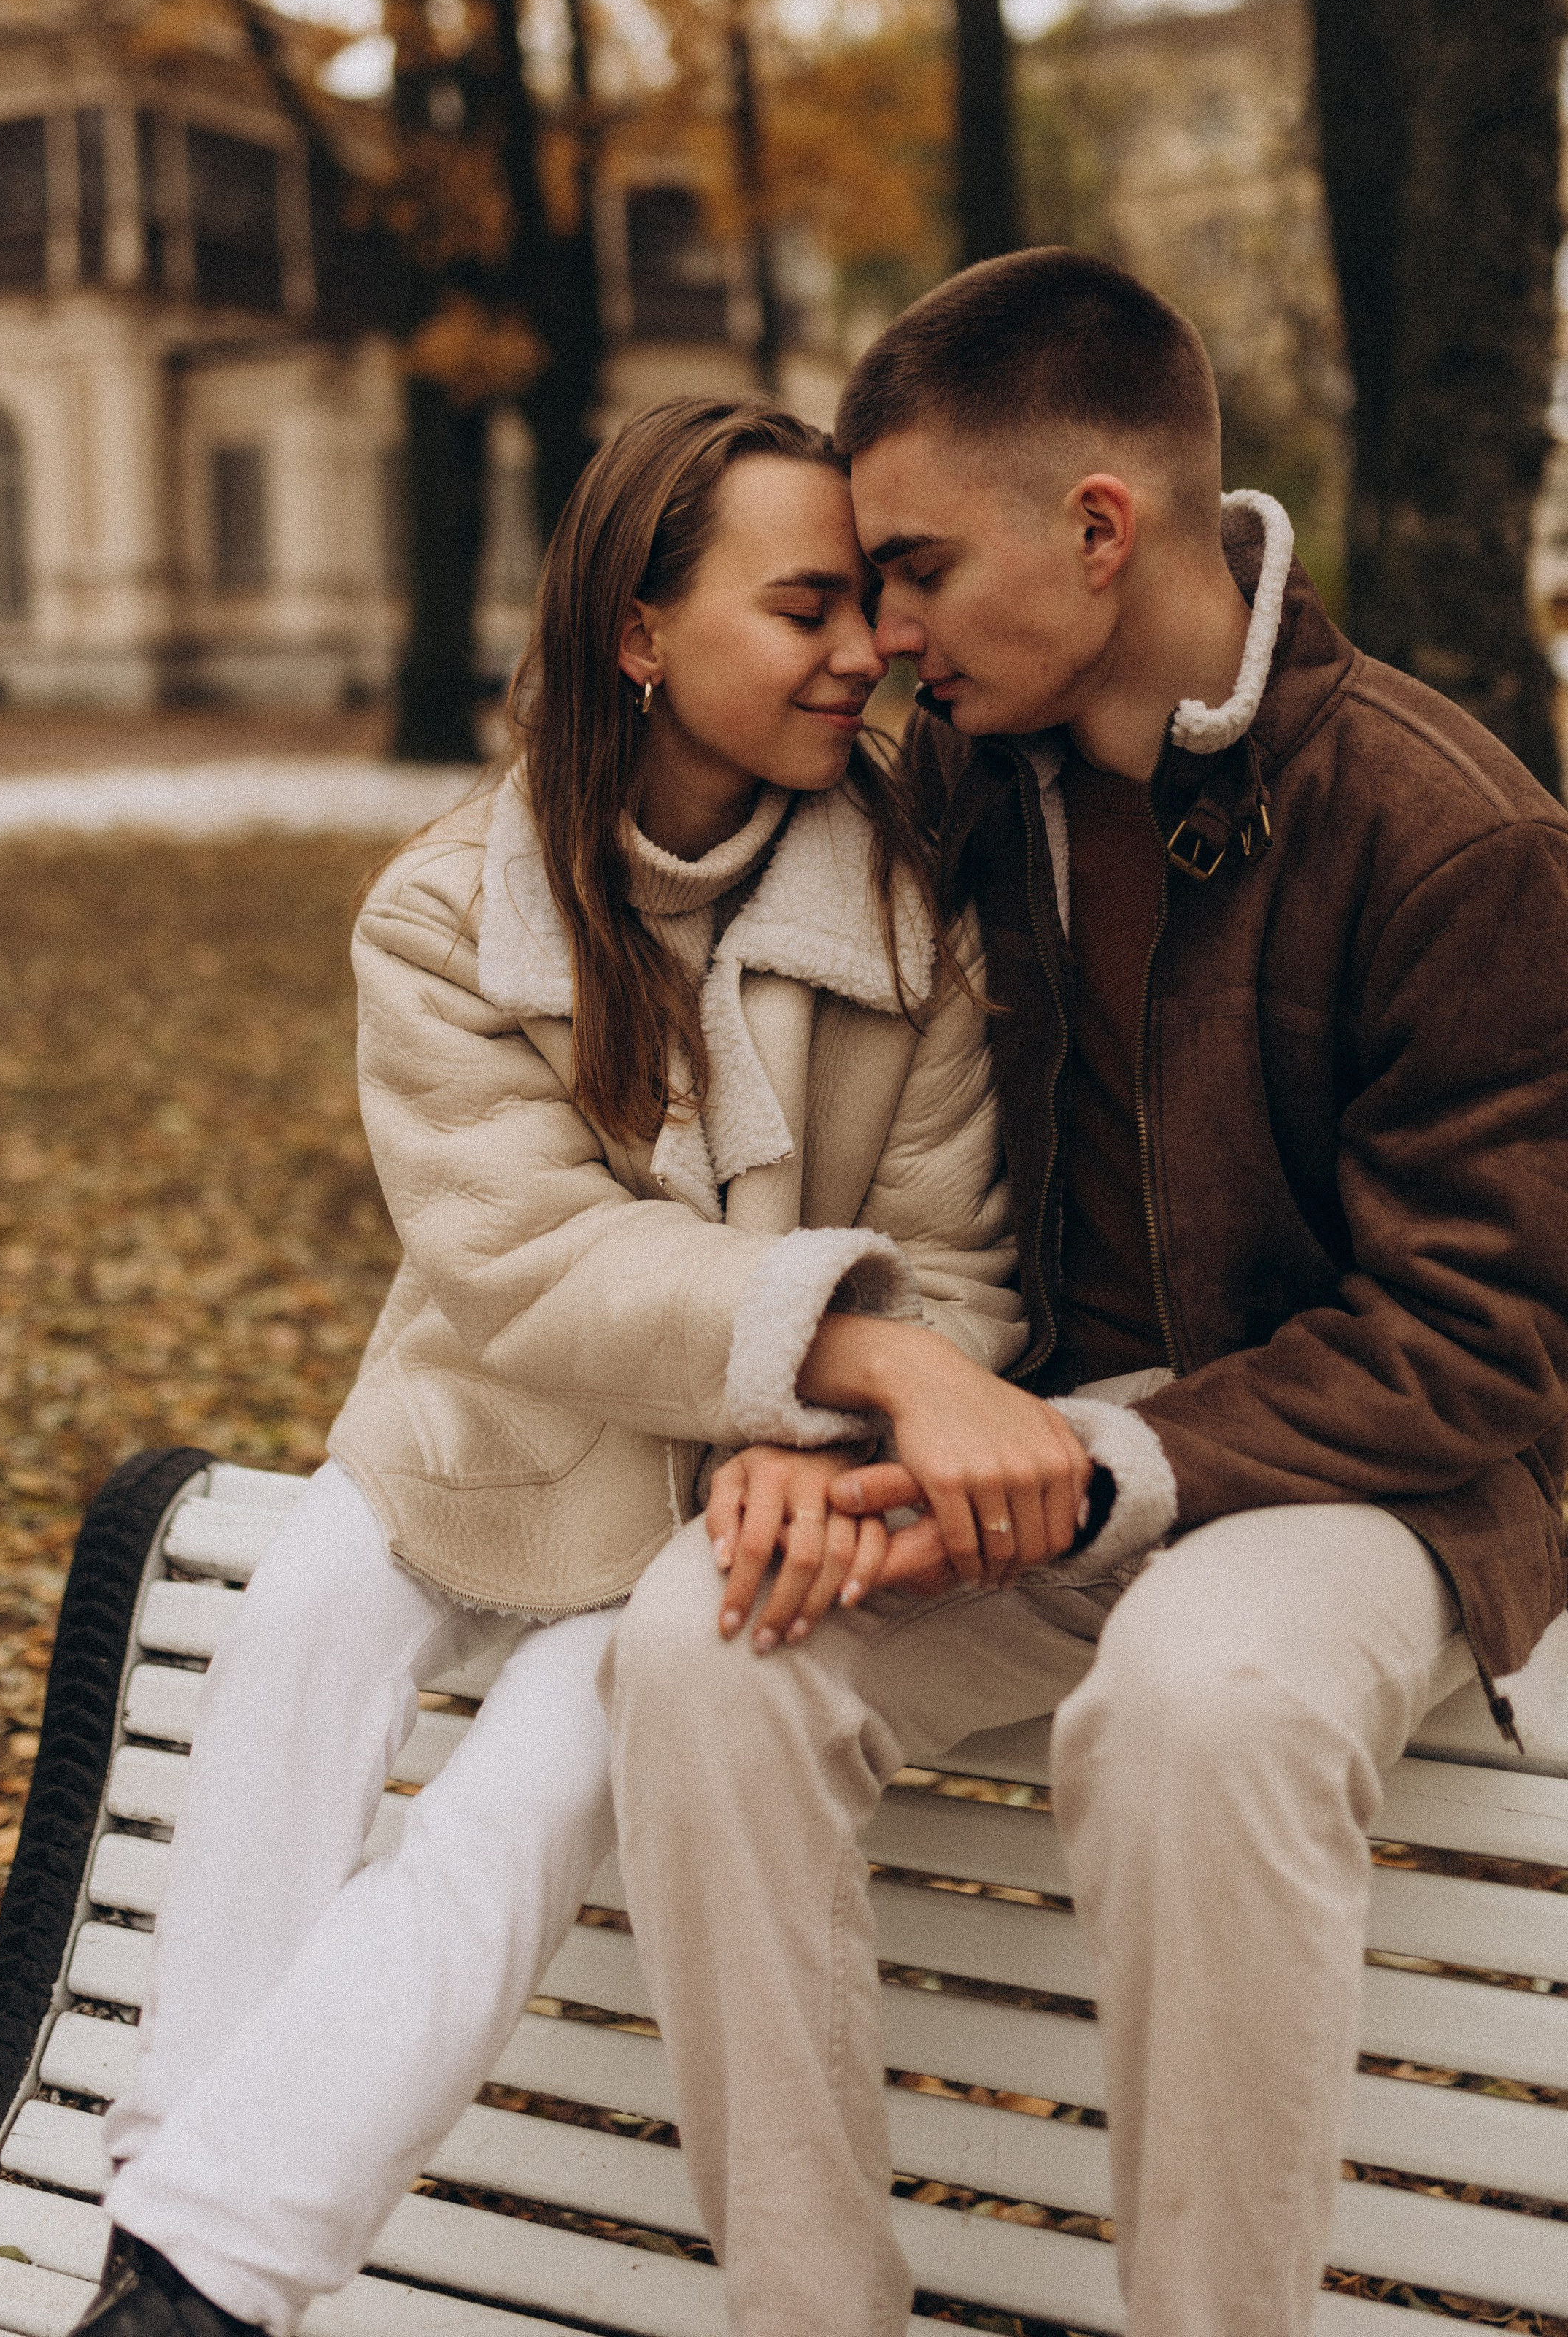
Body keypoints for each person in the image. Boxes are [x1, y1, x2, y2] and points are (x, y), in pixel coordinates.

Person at [79, 394, 1140, 2337]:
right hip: (479, 1441)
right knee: (295, 1644)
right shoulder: (445, 907)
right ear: (643, 636)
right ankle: (171, 2216)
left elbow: (967, 1280)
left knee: (534, 1780)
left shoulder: (915, 924)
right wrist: (860, 1353)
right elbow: (515, 1258)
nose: (863, 652)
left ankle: (190, 2285)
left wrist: (838, 1435)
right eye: (803, 605)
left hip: (724, 1501)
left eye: (866, 606)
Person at [603, 250, 1568, 2337]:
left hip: (1373, 1484)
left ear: (1103, 531)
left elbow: (1486, 1338)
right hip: (1027, 1431)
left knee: (1201, 1711)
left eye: (918, 569)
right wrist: (824, 1416)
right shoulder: (953, 796)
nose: (883, 632)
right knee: (703, 1644)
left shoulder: (1447, 831)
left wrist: (1115, 1456)